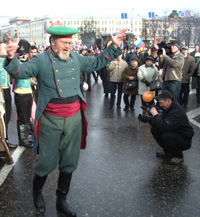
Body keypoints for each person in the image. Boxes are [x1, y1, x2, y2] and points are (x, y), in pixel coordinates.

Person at [4, 26, 126, 216]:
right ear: (53, 42)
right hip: (50, 119)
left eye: (70, 43)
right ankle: (37, 194)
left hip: (74, 119)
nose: (68, 46)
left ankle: (62, 200)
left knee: (69, 162)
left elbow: (97, 62)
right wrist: (11, 58)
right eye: (64, 43)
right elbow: (20, 72)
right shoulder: (41, 60)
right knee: (45, 162)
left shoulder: (75, 58)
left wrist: (114, 47)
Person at [150, 90, 194, 165]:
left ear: (168, 101)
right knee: (154, 129)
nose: (160, 105)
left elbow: (164, 127)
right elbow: (161, 123)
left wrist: (156, 115)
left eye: (161, 103)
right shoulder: (169, 108)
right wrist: (150, 119)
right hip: (175, 133)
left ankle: (178, 156)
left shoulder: (176, 112)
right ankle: (167, 151)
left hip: (184, 139)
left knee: (166, 136)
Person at [0, 41, 18, 148]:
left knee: (7, 116)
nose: (5, 49)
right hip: (0, 90)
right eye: (3, 48)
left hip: (7, 89)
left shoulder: (7, 60)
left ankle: (5, 140)